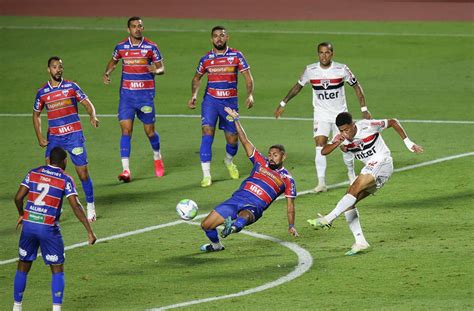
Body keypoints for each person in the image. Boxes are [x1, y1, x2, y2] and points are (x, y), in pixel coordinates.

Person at [307, 112, 423, 255]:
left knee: (353, 190)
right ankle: (361, 242)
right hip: (373, 169)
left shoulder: (368, 126)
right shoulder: (341, 138)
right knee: (349, 201)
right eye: (341, 130)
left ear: (353, 124)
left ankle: (328, 219)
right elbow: (324, 151)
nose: (345, 133)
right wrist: (338, 142)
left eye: (347, 129)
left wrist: (408, 142)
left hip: (383, 161)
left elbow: (393, 122)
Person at [275, 42, 371, 193]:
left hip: (340, 115)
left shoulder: (341, 69)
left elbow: (356, 86)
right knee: (320, 145)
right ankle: (321, 183)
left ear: (332, 54)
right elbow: (298, 86)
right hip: (321, 114)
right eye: (321, 52)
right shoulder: (310, 70)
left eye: (327, 53)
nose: (324, 56)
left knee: (344, 147)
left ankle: (351, 174)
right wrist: (283, 103)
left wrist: (364, 108)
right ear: (318, 54)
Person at [199, 107, 298, 252]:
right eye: (270, 154)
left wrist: (291, 225)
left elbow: (290, 206)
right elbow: (244, 140)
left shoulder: (287, 179)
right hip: (236, 199)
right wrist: (236, 120)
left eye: (275, 155)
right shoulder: (260, 161)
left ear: (283, 157)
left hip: (254, 206)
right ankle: (216, 246)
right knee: (206, 225)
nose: (271, 157)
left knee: (243, 217)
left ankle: (232, 227)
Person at [12, 147, 97, 311]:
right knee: (57, 268)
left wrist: (22, 214)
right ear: (65, 161)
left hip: (29, 226)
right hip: (48, 228)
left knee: (23, 265)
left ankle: (17, 306)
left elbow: (18, 197)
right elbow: (76, 206)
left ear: (49, 160)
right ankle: (56, 309)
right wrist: (89, 230)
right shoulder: (65, 178)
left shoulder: (34, 173)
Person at [33, 56, 99, 222]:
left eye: (60, 67)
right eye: (54, 67)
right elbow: (36, 114)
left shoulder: (71, 86)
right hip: (55, 138)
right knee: (52, 174)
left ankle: (90, 206)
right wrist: (40, 136)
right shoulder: (42, 92)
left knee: (82, 172)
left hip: (74, 135)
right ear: (49, 70)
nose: (58, 70)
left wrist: (93, 115)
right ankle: (56, 208)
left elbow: (86, 102)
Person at [188, 25, 255, 187]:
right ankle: (206, 175)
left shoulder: (236, 55)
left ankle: (229, 161)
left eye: (222, 35)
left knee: (232, 139)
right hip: (211, 102)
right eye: (216, 36)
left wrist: (250, 95)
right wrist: (194, 95)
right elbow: (197, 78)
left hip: (229, 104)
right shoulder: (206, 59)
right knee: (207, 132)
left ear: (227, 37)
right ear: (212, 39)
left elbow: (248, 77)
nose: (219, 38)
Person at [103, 16, 165, 182]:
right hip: (127, 97)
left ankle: (157, 156)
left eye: (140, 26)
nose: (137, 29)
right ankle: (126, 170)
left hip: (145, 96)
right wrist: (108, 72)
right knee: (126, 131)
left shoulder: (151, 47)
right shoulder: (121, 47)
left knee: (150, 132)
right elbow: (113, 61)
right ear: (128, 29)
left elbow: (162, 68)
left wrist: (156, 70)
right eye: (134, 26)